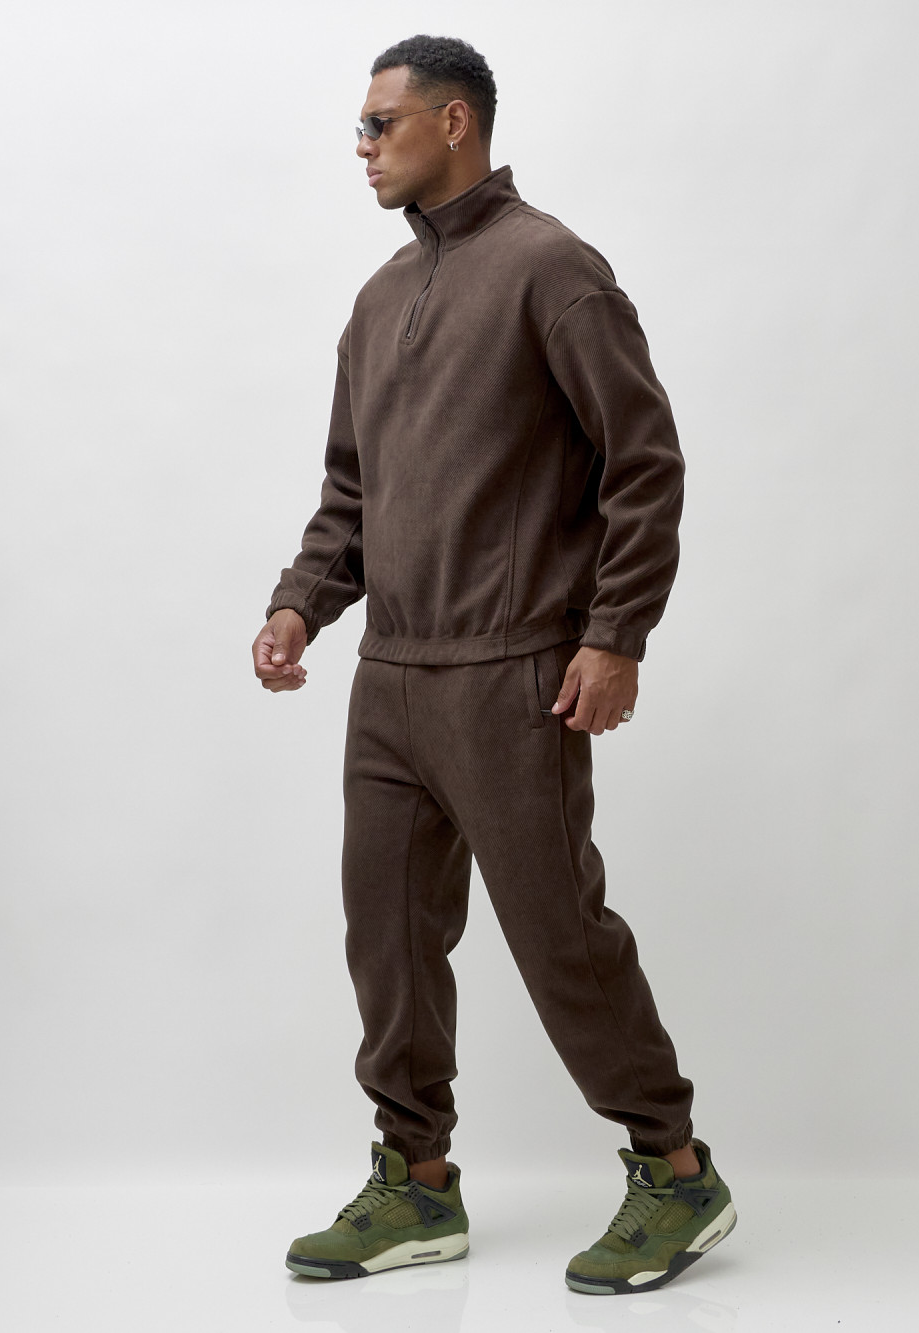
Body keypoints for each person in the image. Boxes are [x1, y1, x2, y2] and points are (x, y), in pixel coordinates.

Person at [252, 34, 736, 1296]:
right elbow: (350, 493)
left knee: (557, 933)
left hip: (514, 668)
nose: (362, 147)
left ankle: (676, 1169)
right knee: (388, 939)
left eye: (381, 124)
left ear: (453, 120)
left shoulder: (551, 269)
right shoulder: (377, 301)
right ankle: (415, 1180)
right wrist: (302, 604)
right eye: (360, 128)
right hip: (392, 677)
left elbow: (644, 465)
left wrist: (614, 633)